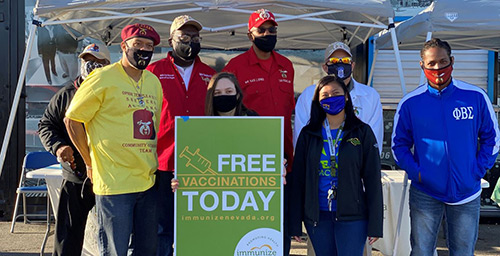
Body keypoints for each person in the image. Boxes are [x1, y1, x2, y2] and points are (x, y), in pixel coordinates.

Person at [392, 38, 500, 256]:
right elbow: (398, 146)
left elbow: (492, 139)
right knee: (421, 251)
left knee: (462, 252)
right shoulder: (410, 103)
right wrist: (418, 174)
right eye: (431, 63)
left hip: (466, 192)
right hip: (425, 192)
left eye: (443, 61)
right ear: (422, 65)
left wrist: (476, 170)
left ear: (452, 61)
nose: (438, 68)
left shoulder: (475, 97)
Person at [64, 23, 163, 256]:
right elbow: (72, 120)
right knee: (115, 251)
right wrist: (89, 162)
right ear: (124, 46)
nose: (143, 50)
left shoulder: (153, 82)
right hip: (114, 183)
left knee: (148, 250)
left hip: (147, 180)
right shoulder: (102, 77)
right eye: (137, 44)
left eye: (149, 46)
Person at [222, 10, 295, 254]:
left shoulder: (286, 65)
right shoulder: (236, 66)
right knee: (252, 223)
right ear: (250, 35)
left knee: (280, 224)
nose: (267, 34)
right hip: (249, 159)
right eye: (261, 30)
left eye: (271, 30)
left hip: (282, 157)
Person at [289, 75, 383, 256]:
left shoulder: (361, 131)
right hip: (318, 216)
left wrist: (375, 225)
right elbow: (298, 179)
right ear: (317, 100)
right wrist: (295, 223)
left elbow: (372, 179)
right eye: (325, 95)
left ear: (346, 96)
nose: (331, 98)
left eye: (336, 93)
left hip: (353, 216)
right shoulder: (308, 134)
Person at [145, 15, 215, 256]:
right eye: (184, 37)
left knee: (197, 227)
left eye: (195, 37)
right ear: (171, 39)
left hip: (200, 166)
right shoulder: (152, 72)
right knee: (162, 230)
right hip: (162, 164)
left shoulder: (210, 75)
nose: (190, 42)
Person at [38, 41, 110, 256]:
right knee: (69, 235)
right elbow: (46, 124)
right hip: (77, 174)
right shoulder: (66, 94)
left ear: (108, 63)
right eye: (87, 61)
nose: (91, 66)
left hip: (110, 175)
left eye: (97, 62)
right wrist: (58, 146)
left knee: (112, 234)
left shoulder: (116, 92)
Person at [294, 41, 383, 155]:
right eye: (334, 61)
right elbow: (300, 136)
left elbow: (375, 139)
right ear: (325, 67)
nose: (340, 64)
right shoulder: (308, 95)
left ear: (352, 65)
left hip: (354, 166)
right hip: (319, 164)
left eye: (345, 60)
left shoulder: (370, 95)